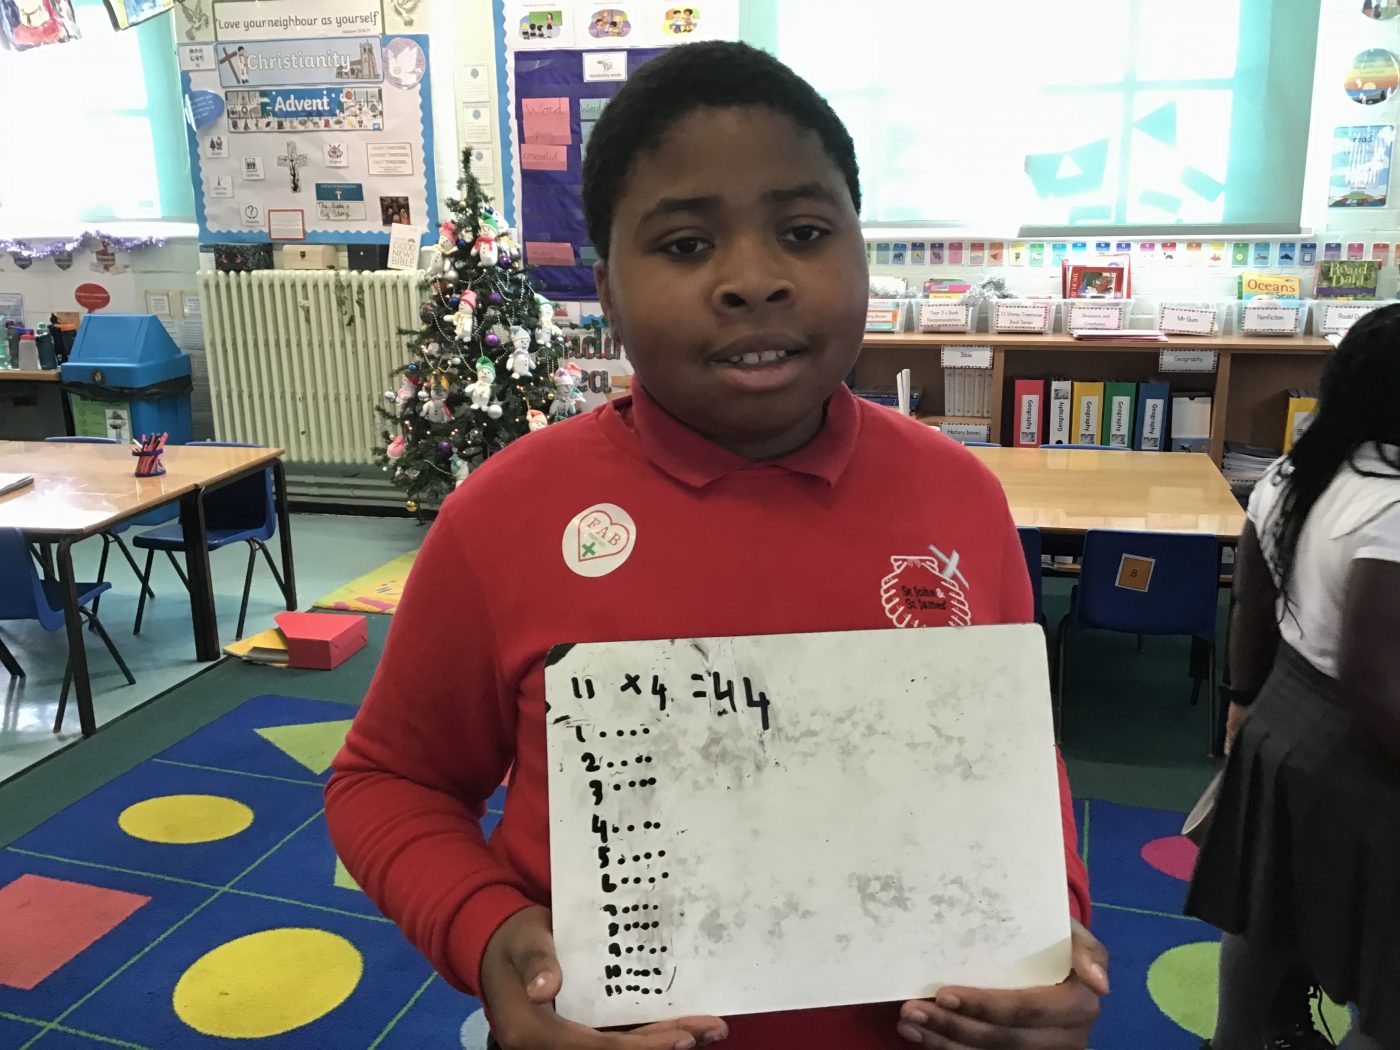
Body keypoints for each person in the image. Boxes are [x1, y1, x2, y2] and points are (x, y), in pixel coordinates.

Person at [327, 41, 1107, 1050]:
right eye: (686, 245)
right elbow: (388, 783)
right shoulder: (504, 517)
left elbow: (1011, 758)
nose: (752, 281)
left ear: (863, 250)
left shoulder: (959, 499)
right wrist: (490, 935)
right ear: (607, 292)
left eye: (803, 232)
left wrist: (1050, 929)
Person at [1186, 304, 1400, 1050]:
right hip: (1363, 751)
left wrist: (1242, 700)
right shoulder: (1392, 501)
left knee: (1265, 910)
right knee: (1392, 986)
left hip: (1286, 711)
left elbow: (1251, 603)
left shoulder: (1292, 472)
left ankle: (1233, 1038)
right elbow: (1375, 678)